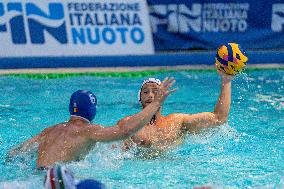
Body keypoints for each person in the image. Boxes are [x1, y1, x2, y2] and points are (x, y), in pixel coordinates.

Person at [6, 77, 176, 169]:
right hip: (57, 180)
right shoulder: (89, 131)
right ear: (92, 109)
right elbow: (125, 131)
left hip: (36, 176)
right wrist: (155, 104)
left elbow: (14, 154)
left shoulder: (49, 131)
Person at [121, 73, 232, 153]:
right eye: (145, 92)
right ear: (139, 98)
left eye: (155, 91)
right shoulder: (129, 124)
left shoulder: (177, 122)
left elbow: (219, 118)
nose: (150, 95)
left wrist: (226, 80)